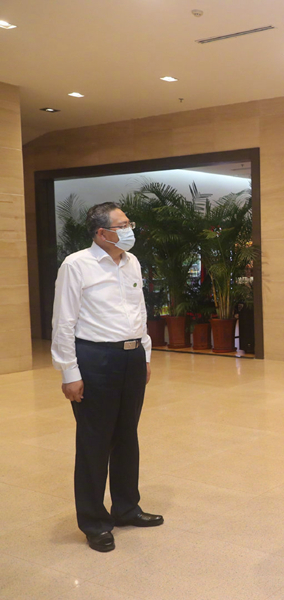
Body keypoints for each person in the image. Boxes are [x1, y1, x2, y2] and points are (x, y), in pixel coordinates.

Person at [51, 202, 161, 553]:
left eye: (129, 224)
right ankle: (94, 521)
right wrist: (69, 371)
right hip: (96, 359)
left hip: (131, 356)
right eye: (122, 225)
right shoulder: (76, 265)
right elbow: (63, 321)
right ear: (101, 233)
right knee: (94, 441)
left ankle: (127, 507)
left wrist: (144, 354)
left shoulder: (132, 262)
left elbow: (139, 310)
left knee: (127, 435)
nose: (129, 230)